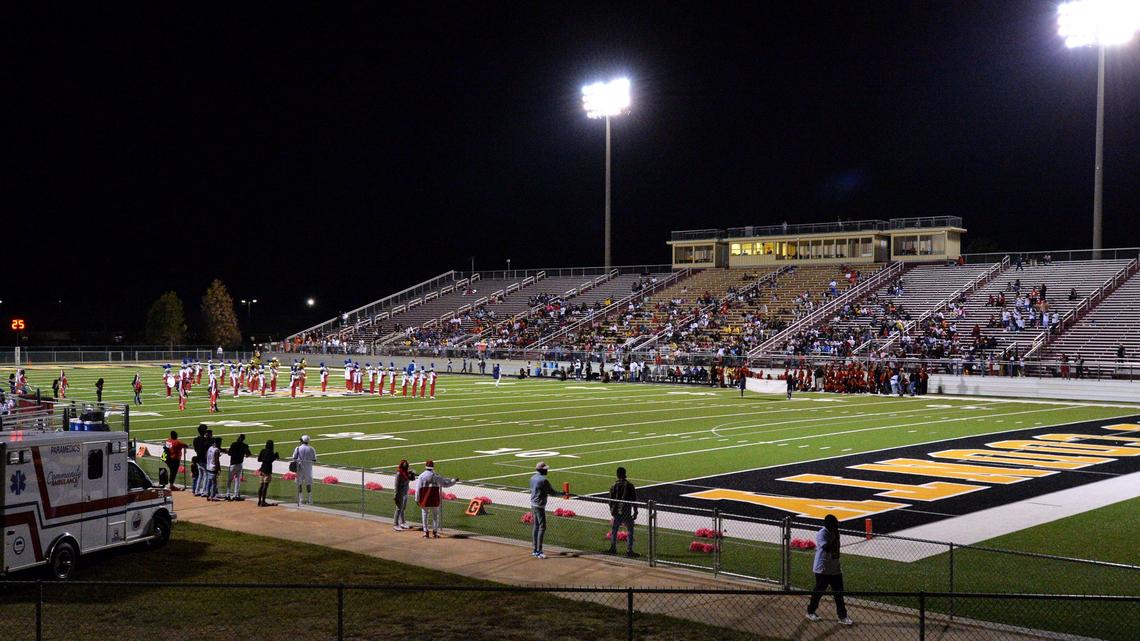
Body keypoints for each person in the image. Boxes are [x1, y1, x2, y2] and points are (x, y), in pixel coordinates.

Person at [806, 514, 853, 626]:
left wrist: (837, 537)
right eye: (835, 525)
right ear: (828, 524)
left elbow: (836, 548)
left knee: (839, 593)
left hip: (835, 568)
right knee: (819, 592)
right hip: (823, 569)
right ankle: (810, 611)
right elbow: (826, 547)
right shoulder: (822, 533)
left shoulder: (836, 533)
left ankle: (842, 616)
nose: (836, 527)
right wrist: (834, 538)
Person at [415, 460, 458, 538]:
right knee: (435, 516)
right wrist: (454, 481)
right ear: (433, 467)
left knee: (425, 515)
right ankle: (435, 532)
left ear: (425, 466)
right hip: (434, 499)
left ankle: (426, 532)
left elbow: (418, 489)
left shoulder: (421, 476)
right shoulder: (436, 476)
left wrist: (417, 499)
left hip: (425, 499)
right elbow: (445, 484)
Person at [606, 466, 638, 557]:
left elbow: (610, 500)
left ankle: (613, 548)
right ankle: (629, 550)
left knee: (614, 530)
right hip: (626, 511)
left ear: (617, 475)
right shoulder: (630, 485)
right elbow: (634, 500)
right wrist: (635, 511)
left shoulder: (614, 485)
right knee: (630, 530)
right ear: (625, 474)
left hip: (617, 512)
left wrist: (612, 510)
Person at [529, 461, 556, 558]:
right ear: (542, 470)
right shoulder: (543, 480)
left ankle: (535, 549)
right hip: (539, 505)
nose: (547, 470)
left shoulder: (532, 478)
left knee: (536, 526)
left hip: (533, 503)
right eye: (546, 469)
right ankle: (539, 551)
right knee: (542, 527)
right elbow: (552, 492)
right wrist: (563, 494)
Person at [291, 435, 318, 506]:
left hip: (299, 468)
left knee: (299, 484)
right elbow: (314, 459)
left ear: (302, 441)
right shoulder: (311, 449)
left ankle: (301, 499)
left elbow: (294, 458)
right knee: (308, 484)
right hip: (308, 468)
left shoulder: (297, 448)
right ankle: (309, 500)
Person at [392, 459, 416, 531]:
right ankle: (395, 524)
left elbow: (411, 478)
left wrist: (412, 474)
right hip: (399, 493)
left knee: (403, 508)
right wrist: (395, 495)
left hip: (405, 493)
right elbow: (396, 485)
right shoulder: (399, 474)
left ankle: (402, 522)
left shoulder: (405, 473)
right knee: (399, 508)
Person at [226, 434, 251, 501]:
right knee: (237, 480)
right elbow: (248, 454)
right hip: (239, 464)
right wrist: (245, 455)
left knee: (229, 480)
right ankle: (236, 495)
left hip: (233, 464)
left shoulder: (234, 444)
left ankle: (228, 494)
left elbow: (229, 453)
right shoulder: (245, 446)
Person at [255, 440, 279, 507]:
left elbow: (259, 459)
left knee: (261, 485)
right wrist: (275, 456)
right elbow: (271, 460)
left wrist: (265, 459)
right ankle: (263, 501)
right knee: (265, 486)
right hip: (267, 470)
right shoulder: (271, 452)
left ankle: (259, 501)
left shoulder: (263, 450)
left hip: (262, 469)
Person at [191, 424, 210, 496]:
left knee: (200, 475)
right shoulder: (205, 440)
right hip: (204, 459)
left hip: (198, 458)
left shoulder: (195, 439)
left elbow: (196, 449)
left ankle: (197, 490)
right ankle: (204, 491)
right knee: (206, 475)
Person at [205, 437, 222, 502]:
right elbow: (216, 460)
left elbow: (206, 456)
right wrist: (219, 468)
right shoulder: (217, 450)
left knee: (208, 483)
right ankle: (212, 496)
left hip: (208, 466)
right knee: (214, 484)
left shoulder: (210, 448)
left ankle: (208, 495)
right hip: (213, 468)